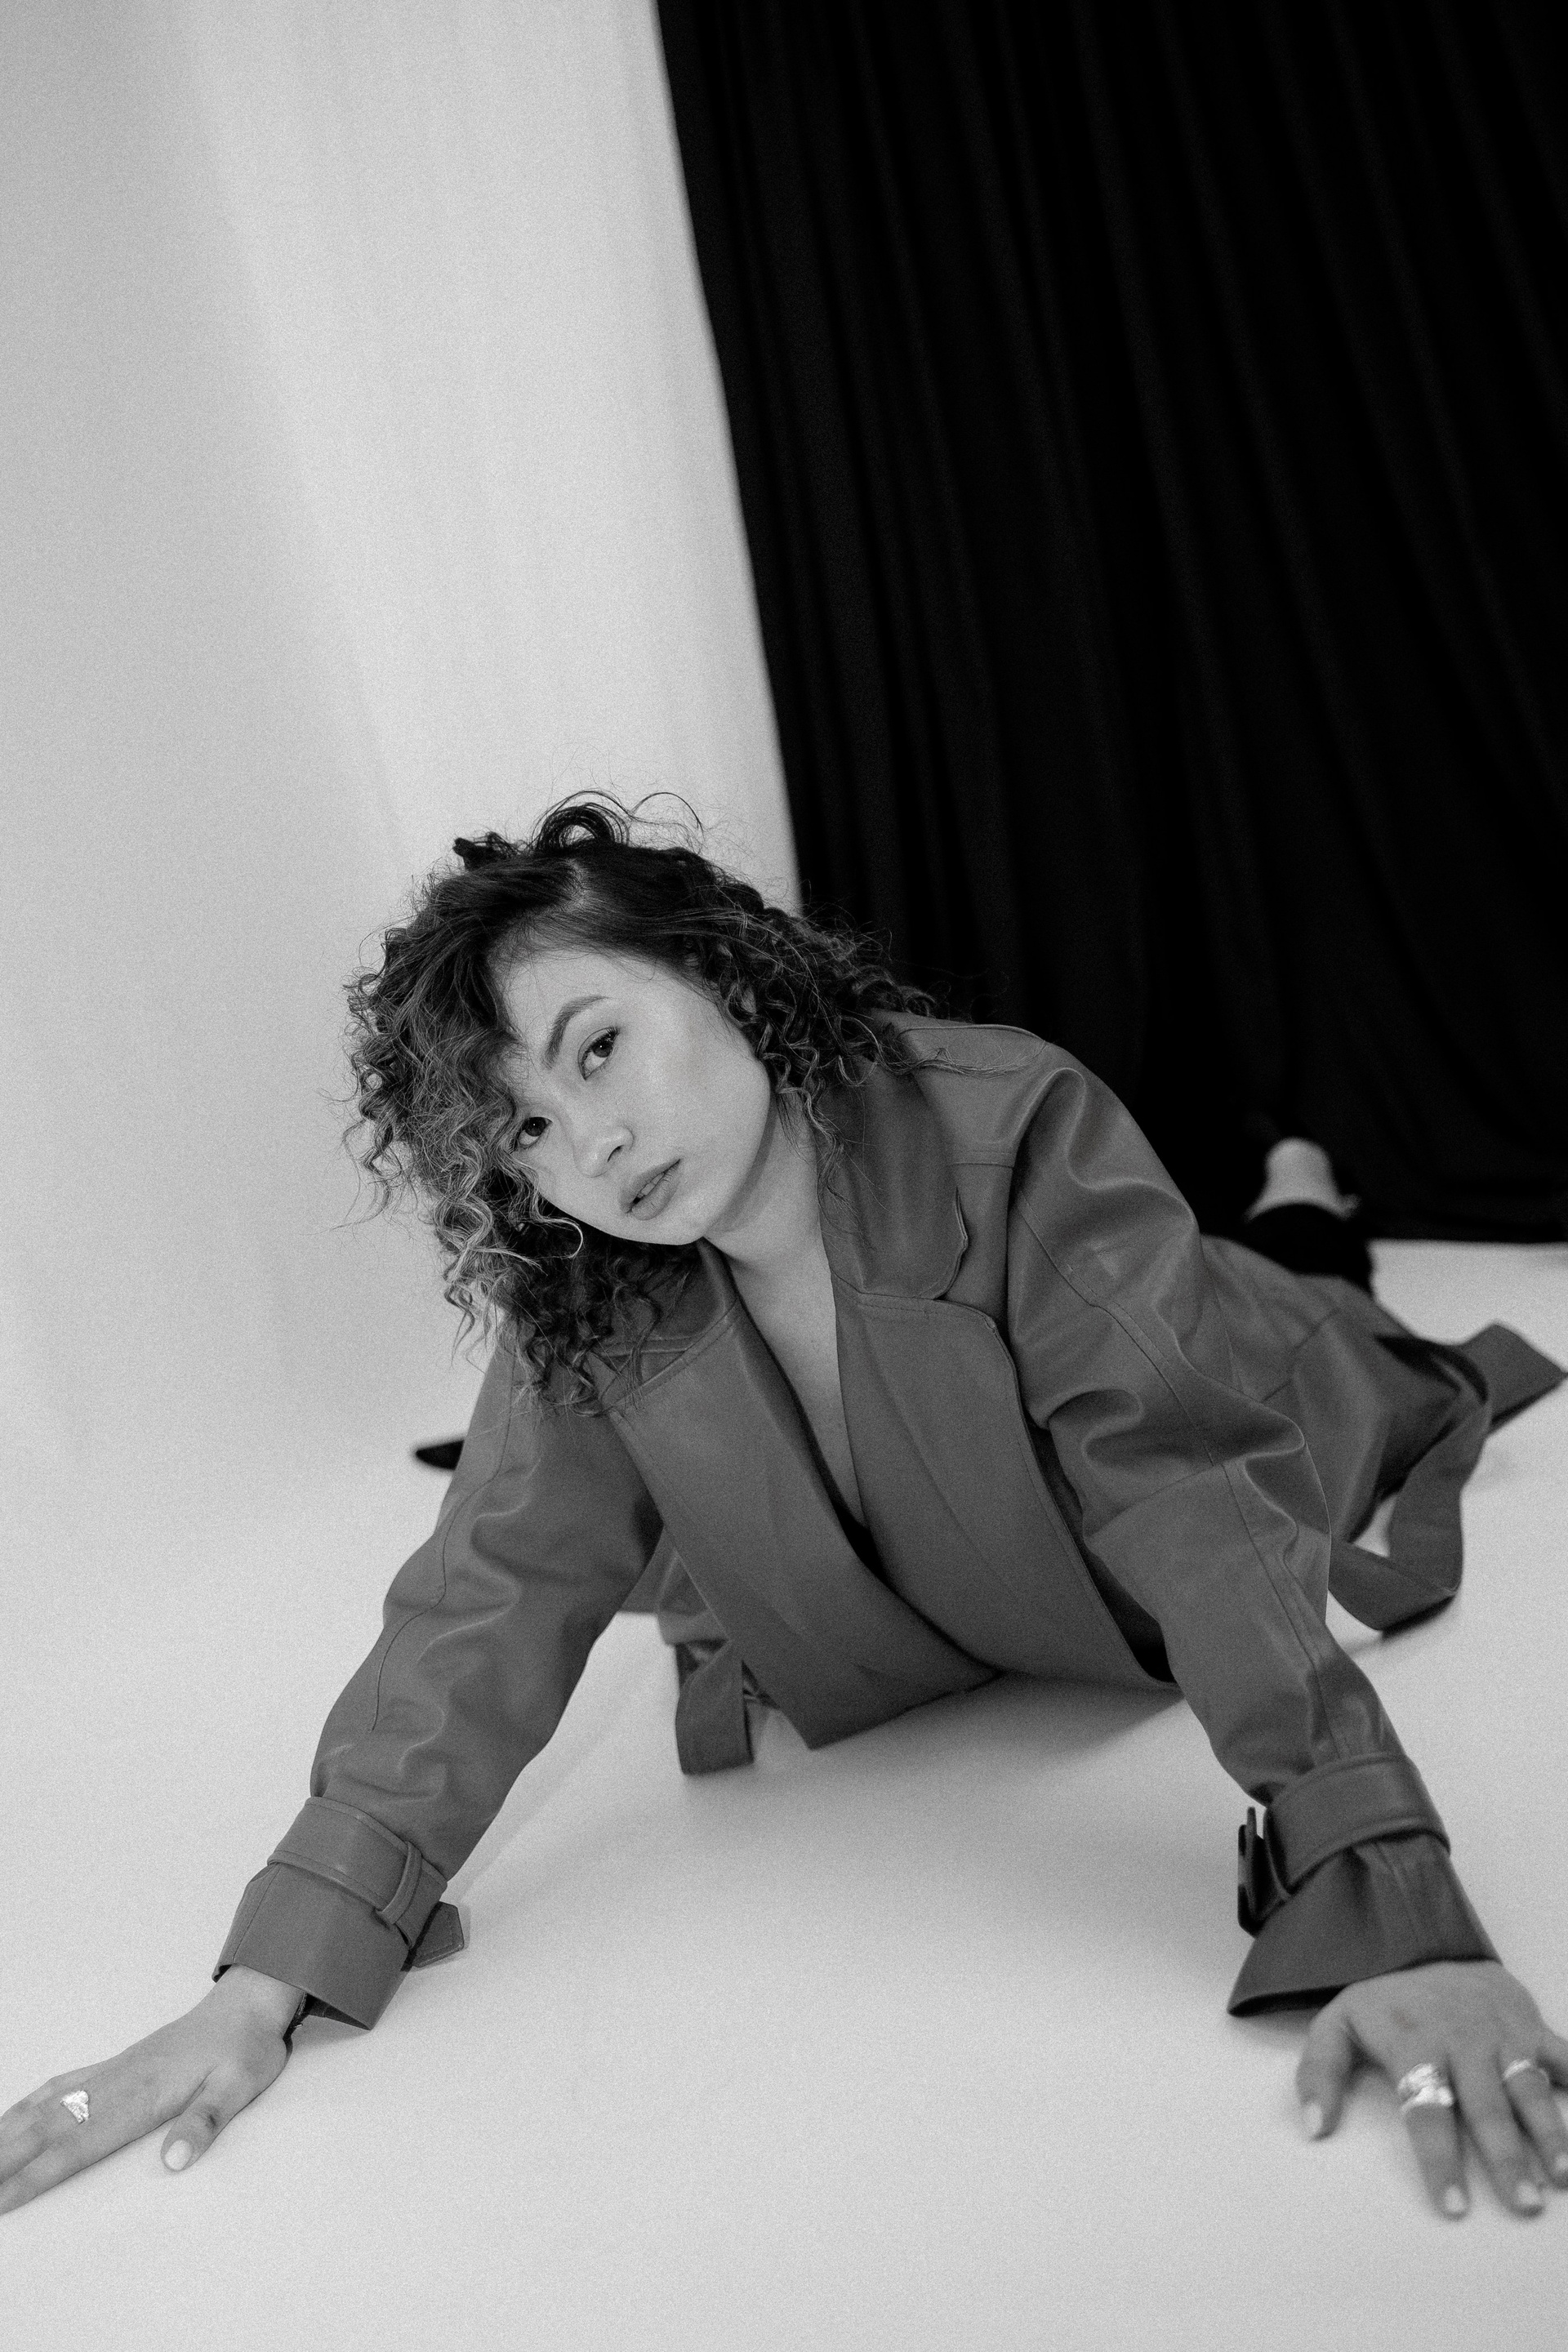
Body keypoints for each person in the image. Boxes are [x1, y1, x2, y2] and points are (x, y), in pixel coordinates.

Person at [5, 799, 1566, 2225]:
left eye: (598, 1050)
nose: (594, 1145)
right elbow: (489, 1591)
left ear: (725, 971)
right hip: (972, 1566)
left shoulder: (1015, 1123)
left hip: (1258, 1364)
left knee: (1307, 1288)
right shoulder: (591, 1289)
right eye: (525, 1129)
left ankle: (1306, 1194)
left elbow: (1193, 1486)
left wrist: (1390, 1899)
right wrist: (260, 1987)